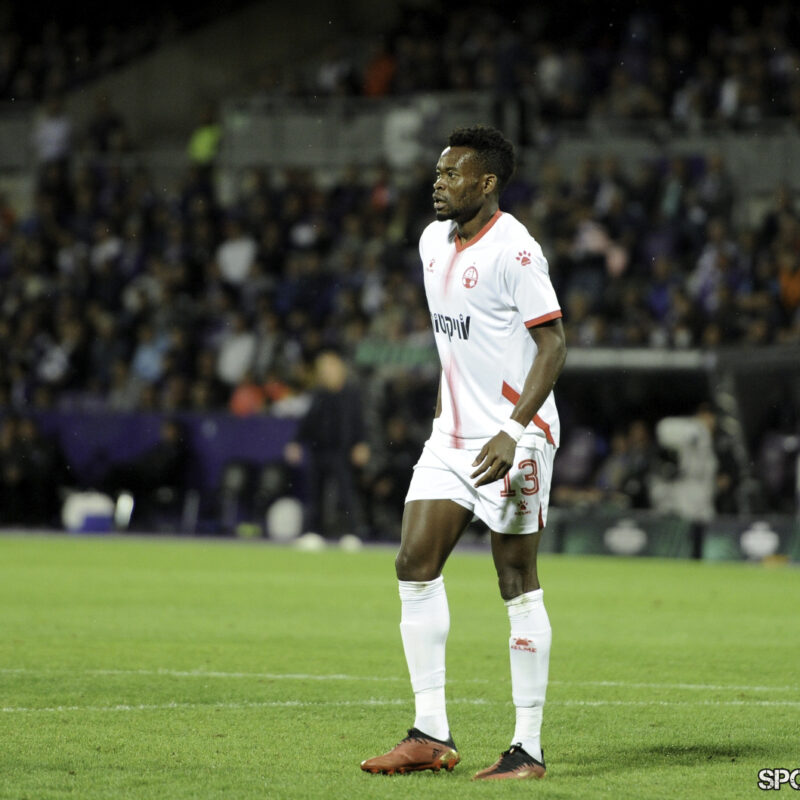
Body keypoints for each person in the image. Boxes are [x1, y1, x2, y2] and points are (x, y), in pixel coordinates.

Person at [361, 126, 566, 780]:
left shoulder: (517, 251)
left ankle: (527, 750)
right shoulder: (430, 242)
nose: (438, 182)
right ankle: (430, 734)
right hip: (450, 437)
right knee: (413, 562)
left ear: (487, 183)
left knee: (515, 583)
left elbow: (554, 343)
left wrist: (516, 428)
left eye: (453, 174)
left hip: (515, 436)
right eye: (438, 171)